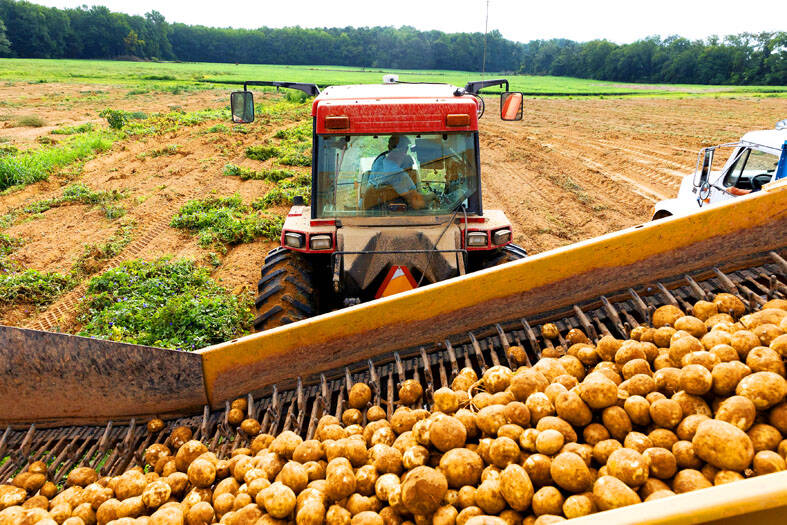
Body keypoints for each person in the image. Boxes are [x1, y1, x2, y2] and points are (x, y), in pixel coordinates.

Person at [366, 136, 428, 209]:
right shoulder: (398, 174)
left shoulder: (379, 161)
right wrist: (431, 198)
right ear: (405, 150)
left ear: (389, 147)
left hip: (372, 211)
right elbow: (415, 201)